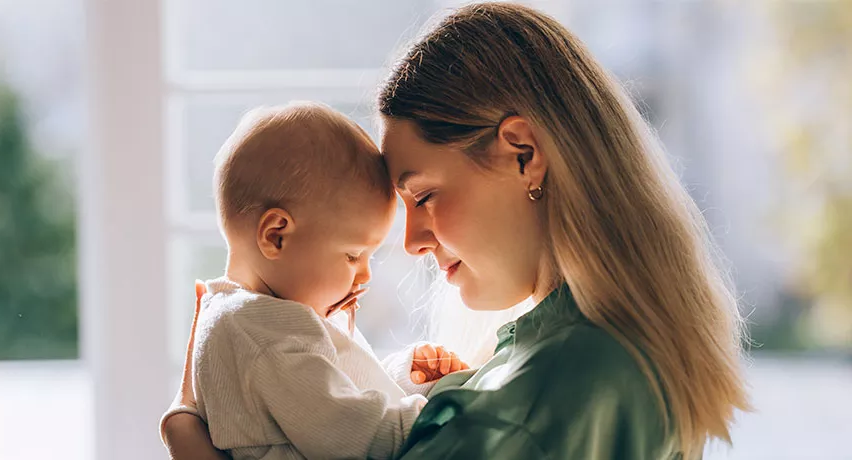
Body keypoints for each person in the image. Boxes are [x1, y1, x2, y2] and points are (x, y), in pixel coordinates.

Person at [161, 3, 750, 459]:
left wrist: (187, 436)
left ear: (522, 153)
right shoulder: (593, 355)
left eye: (424, 196)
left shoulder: (537, 401)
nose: (412, 241)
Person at [160, 102, 468, 459]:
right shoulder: (265, 333)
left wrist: (402, 378)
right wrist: (445, 413)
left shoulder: (243, 316)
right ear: (276, 236)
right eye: (353, 255)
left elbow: (325, 401)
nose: (365, 274)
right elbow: (357, 434)